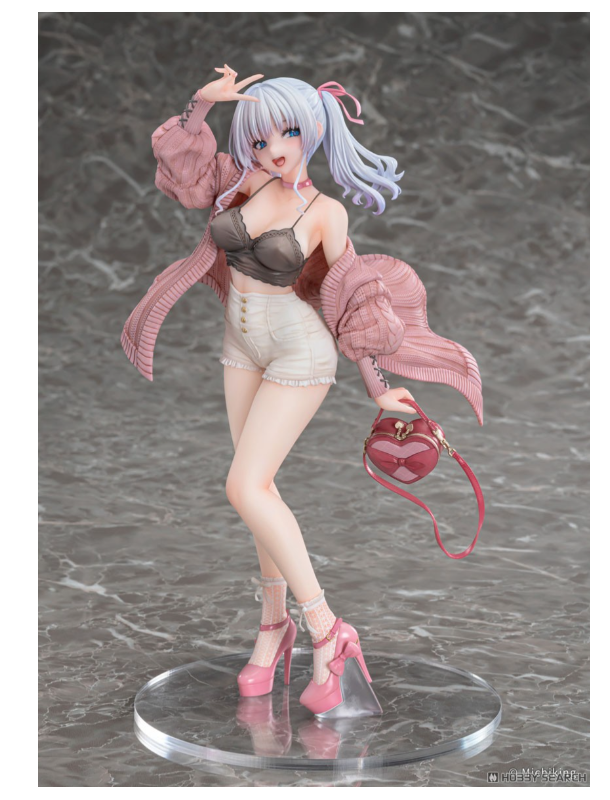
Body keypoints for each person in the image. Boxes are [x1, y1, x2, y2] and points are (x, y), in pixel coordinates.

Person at [120, 64, 483, 718]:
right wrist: (200, 104)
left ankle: (326, 629)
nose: (272, 149)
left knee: (244, 487)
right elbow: (183, 170)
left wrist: (379, 388)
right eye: (259, 138)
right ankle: (272, 626)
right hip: (241, 348)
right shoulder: (239, 180)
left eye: (286, 133)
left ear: (313, 130)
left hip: (299, 351)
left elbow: (349, 301)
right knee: (257, 489)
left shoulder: (325, 213)